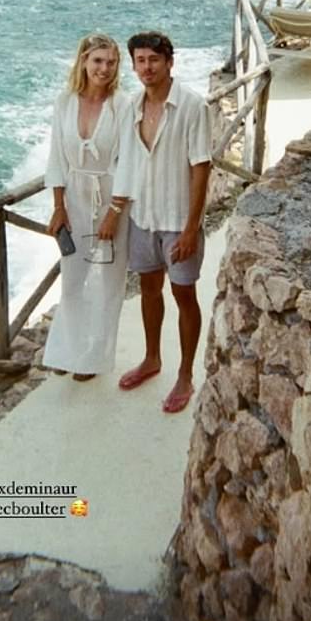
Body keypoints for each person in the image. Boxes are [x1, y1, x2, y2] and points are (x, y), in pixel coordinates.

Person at [100, 32, 212, 413]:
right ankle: (152, 359)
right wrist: (116, 210)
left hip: (178, 221)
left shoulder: (193, 106)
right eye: (140, 61)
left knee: (185, 296)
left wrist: (191, 230)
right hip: (143, 218)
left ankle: (184, 374)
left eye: (154, 60)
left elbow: (201, 169)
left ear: (169, 62)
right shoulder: (131, 107)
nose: (146, 68)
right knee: (149, 291)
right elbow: (127, 164)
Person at [43, 34, 130, 381]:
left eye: (111, 62)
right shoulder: (64, 102)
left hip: (112, 199)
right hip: (75, 200)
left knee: (109, 281)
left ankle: (95, 355)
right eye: (97, 61)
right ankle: (70, 350)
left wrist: (115, 211)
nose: (104, 69)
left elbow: (129, 163)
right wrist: (58, 206)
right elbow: (55, 157)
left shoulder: (122, 105)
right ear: (83, 61)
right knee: (72, 280)